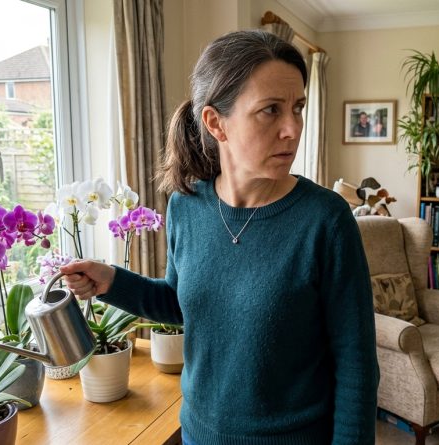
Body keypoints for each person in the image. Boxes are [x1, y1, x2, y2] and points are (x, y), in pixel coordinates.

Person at [60, 30, 379, 445]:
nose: (292, 128)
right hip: (199, 434)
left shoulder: (326, 219)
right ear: (215, 123)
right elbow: (183, 304)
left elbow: (357, 364)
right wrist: (112, 281)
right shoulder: (186, 206)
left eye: (298, 108)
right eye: (270, 110)